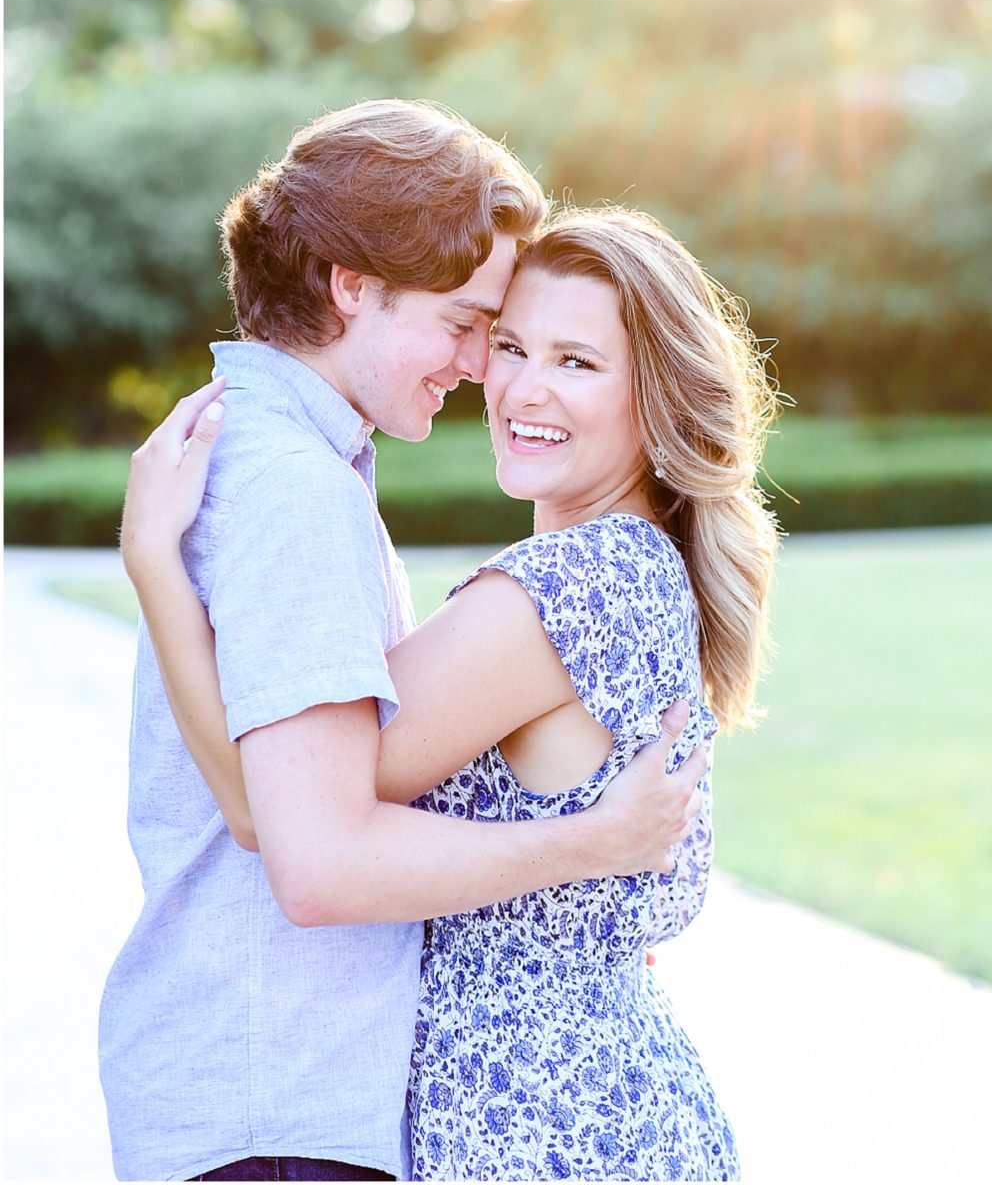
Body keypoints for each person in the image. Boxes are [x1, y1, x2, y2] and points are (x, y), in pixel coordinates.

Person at [100, 102, 708, 1185]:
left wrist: (155, 567)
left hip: (295, 1104)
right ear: (352, 285)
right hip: (274, 1114)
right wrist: (587, 850)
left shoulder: (293, 467)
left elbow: (283, 814)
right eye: (478, 324)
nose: (485, 369)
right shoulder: (294, 488)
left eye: (565, 357)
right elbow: (313, 846)